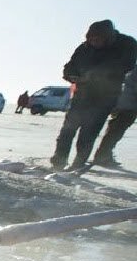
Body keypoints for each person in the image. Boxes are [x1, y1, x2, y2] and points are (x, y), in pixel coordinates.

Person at [50, 20, 137, 170]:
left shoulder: (126, 44)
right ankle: (59, 161)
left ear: (108, 37)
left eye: (97, 39)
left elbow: (125, 65)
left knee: (88, 133)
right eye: (91, 39)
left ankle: (77, 165)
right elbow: (70, 66)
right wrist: (71, 75)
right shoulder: (84, 48)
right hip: (82, 95)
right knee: (68, 130)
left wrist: (94, 75)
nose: (93, 42)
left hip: (105, 97)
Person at [92, 67, 137, 167]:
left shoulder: (131, 69)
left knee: (113, 132)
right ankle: (102, 156)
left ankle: (104, 155)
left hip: (123, 104)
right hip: (128, 106)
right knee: (115, 133)